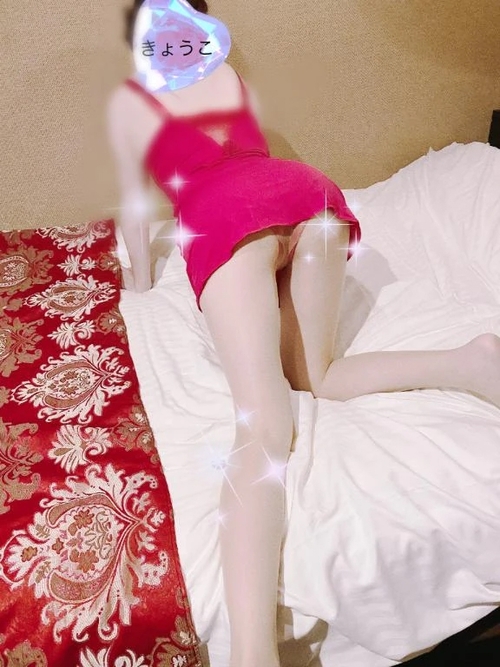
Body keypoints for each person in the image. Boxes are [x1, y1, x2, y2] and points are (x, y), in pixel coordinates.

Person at [107, 2, 500, 665]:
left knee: (262, 424)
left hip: (226, 219)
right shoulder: (226, 73)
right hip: (310, 198)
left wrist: (140, 287)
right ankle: (471, 361)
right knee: (318, 376)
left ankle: (252, 651)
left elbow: (136, 211)